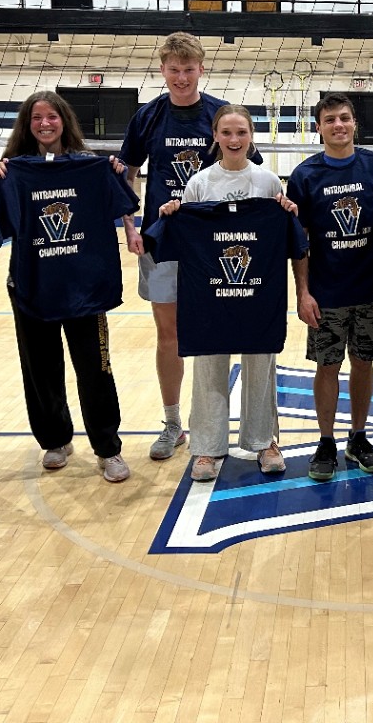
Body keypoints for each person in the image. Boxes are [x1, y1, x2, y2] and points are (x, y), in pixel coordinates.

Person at [118, 33, 261, 462]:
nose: (181, 77)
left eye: (188, 68)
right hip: (163, 238)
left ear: (201, 69)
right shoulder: (148, 116)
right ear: (163, 70)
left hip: (214, 241)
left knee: (221, 330)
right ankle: (173, 422)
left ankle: (225, 426)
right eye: (173, 69)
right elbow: (128, 171)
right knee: (169, 334)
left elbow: (248, 171)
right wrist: (130, 223)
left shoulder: (220, 114)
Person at [0, 92, 138, 483]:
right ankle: (55, 440)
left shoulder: (91, 167)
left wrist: (115, 172)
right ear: (27, 124)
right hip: (32, 284)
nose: (44, 123)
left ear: (64, 121)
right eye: (36, 117)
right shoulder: (13, 172)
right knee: (40, 369)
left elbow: (125, 201)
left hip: (84, 288)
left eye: (52, 116)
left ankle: (108, 449)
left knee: (96, 369)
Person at [157, 105, 297, 482]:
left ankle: (264, 439)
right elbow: (185, 238)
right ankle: (206, 447)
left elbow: (283, 237)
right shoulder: (199, 184)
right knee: (209, 367)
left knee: (261, 366)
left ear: (251, 137)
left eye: (241, 133)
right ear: (215, 137)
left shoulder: (268, 182)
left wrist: (287, 211)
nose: (234, 140)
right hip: (209, 294)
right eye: (227, 133)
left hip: (259, 293)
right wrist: (174, 213)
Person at [287, 94, 373, 482]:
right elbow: (298, 241)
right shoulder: (305, 175)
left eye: (345, 118)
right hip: (326, 290)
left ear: (355, 124)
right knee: (327, 365)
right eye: (330, 119)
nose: (339, 125)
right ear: (319, 126)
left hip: (369, 286)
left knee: (364, 363)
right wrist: (303, 292)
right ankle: (326, 441)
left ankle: (358, 437)